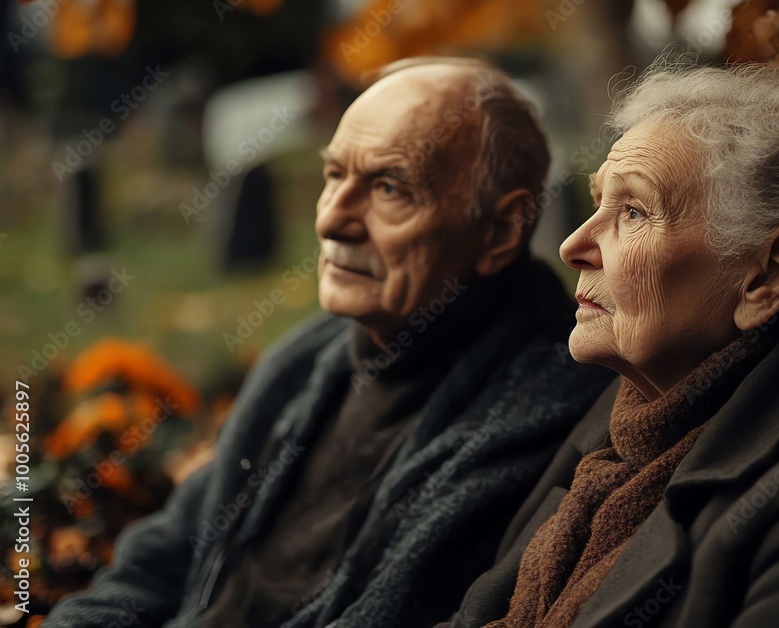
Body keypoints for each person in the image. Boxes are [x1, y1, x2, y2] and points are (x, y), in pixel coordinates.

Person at [44, 57, 614, 628]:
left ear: (501, 230)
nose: (332, 219)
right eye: (334, 175)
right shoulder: (309, 353)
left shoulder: (538, 412)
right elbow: (166, 553)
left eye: (390, 187)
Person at [443, 62, 779, 628]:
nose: (573, 245)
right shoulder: (624, 424)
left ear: (767, 273)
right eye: (597, 205)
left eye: (633, 212)